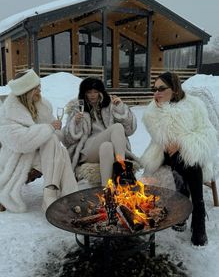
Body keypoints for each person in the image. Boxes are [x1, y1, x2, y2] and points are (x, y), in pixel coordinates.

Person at [140, 71, 218, 247]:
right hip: (163, 153)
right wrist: (174, 139)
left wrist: (183, 142)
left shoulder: (194, 105)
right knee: (185, 162)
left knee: (189, 162)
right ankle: (198, 222)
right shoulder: (153, 110)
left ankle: (188, 214)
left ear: (174, 89)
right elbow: (162, 139)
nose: (156, 93)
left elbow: (207, 133)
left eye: (161, 89)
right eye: (154, 89)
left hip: (188, 151)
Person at [0, 69, 78, 213]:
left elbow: (53, 131)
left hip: (44, 151)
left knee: (55, 145)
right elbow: (19, 142)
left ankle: (50, 194)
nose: (40, 90)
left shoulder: (42, 105)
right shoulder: (7, 111)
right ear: (26, 91)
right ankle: (69, 196)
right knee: (58, 151)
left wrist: (60, 131)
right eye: (36, 88)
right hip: (19, 155)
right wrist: (49, 129)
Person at [62, 77, 140, 186]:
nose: (93, 95)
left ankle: (106, 191)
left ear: (100, 92)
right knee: (116, 127)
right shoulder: (78, 108)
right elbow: (68, 140)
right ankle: (123, 169)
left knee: (106, 146)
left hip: (109, 146)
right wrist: (75, 122)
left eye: (95, 91)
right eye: (89, 92)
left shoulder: (110, 105)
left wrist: (121, 109)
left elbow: (130, 130)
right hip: (88, 150)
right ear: (84, 93)